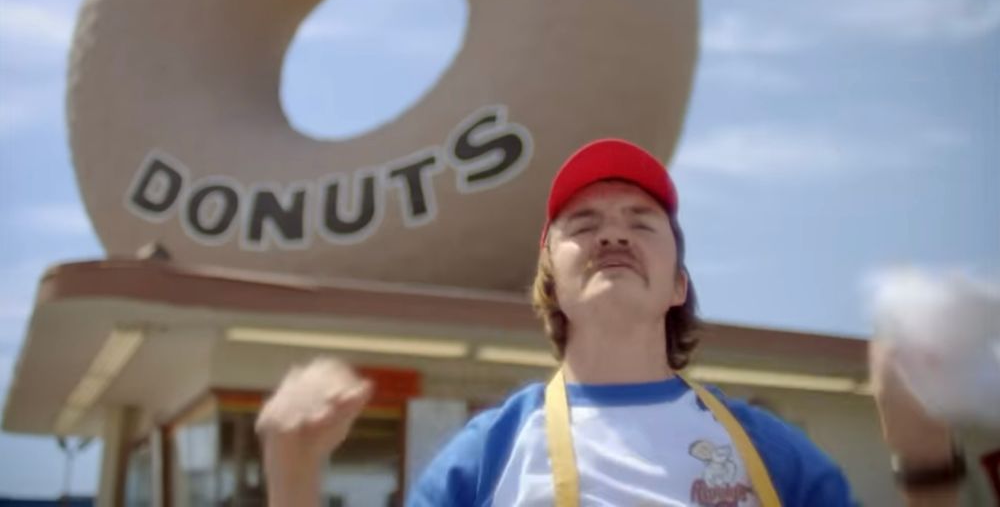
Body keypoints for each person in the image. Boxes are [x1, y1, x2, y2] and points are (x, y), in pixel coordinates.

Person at [256, 139, 965, 506]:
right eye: (584, 223)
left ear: (678, 285)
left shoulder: (767, 448)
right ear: (552, 288)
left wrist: (926, 463)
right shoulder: (489, 453)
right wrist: (292, 476)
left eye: (641, 221)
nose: (614, 234)